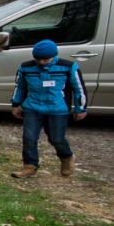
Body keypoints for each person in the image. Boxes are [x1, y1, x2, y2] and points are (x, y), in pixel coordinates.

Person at [10, 39, 88, 179]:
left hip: (58, 109)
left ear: (54, 55)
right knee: (29, 138)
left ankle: (67, 158)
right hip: (32, 108)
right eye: (38, 59)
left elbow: (79, 89)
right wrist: (16, 104)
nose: (41, 62)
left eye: (45, 59)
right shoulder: (25, 68)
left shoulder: (69, 67)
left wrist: (80, 108)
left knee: (56, 138)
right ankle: (30, 166)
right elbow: (20, 87)